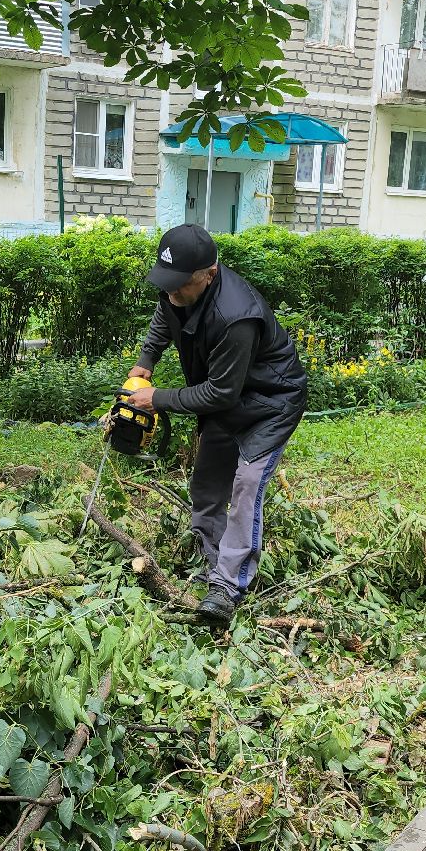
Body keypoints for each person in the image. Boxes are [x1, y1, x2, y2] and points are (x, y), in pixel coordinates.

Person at [121, 223, 307, 627]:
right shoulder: (178, 288)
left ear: (209, 273)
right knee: (206, 482)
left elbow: (220, 393)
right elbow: (163, 316)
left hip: (270, 403)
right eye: (165, 283)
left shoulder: (237, 315)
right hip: (227, 397)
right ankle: (212, 559)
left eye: (179, 286)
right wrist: (145, 362)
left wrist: (158, 399)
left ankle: (228, 586)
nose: (171, 293)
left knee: (246, 488)